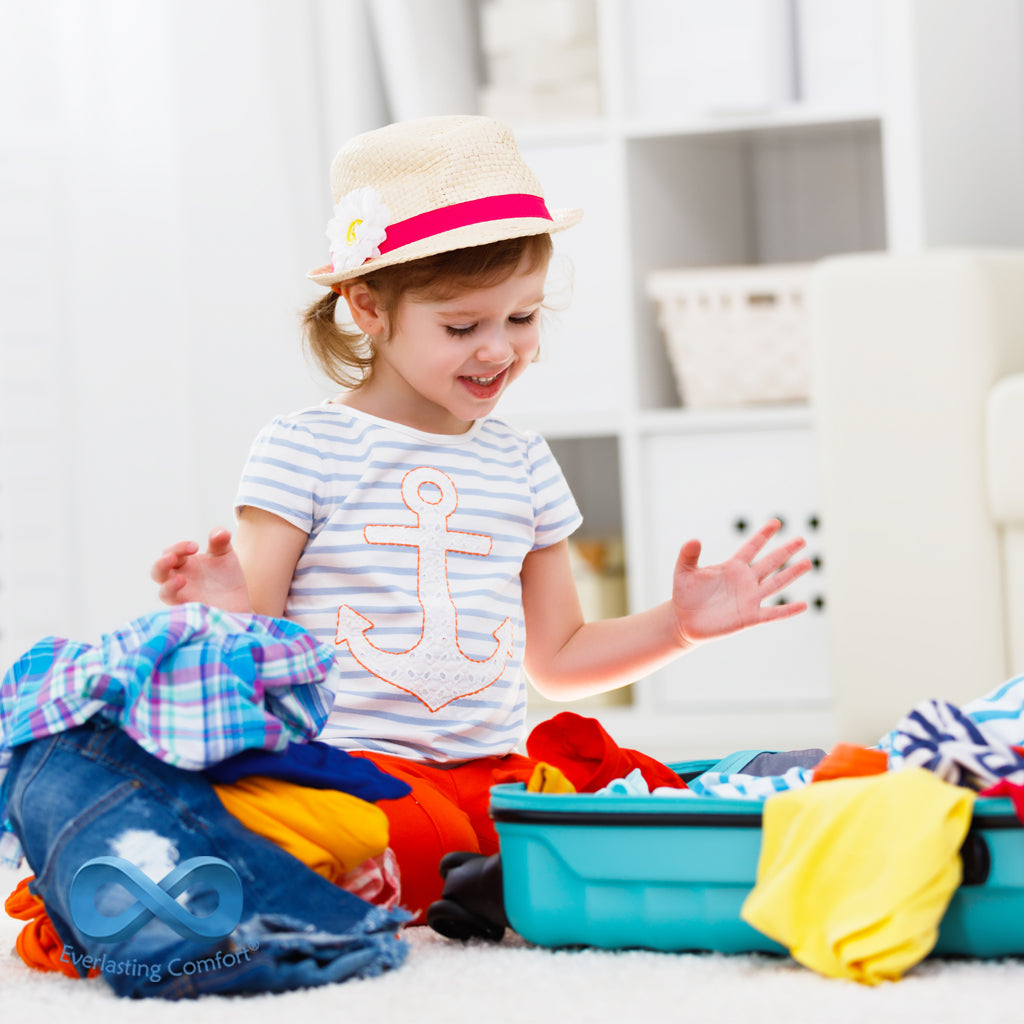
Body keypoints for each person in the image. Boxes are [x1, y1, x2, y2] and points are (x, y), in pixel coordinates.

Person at [151, 115, 811, 921]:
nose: (500, 350)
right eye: (462, 327)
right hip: (357, 770)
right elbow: (258, 645)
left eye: (524, 318)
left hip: (486, 767)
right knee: (390, 835)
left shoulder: (522, 461)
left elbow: (559, 658)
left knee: (607, 784)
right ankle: (471, 882)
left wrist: (678, 626)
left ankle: (704, 810)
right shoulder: (307, 448)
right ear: (368, 307)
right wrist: (223, 611)